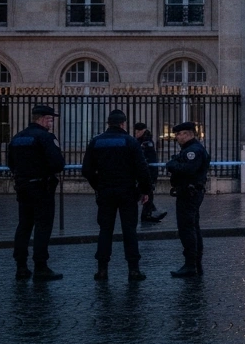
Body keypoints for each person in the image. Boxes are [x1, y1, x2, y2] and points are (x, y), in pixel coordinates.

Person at [81, 110, 153, 281]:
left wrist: (97, 186)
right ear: (123, 124)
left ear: (108, 123)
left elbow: (87, 170)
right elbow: (142, 169)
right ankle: (133, 270)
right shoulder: (130, 141)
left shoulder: (96, 141)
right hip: (127, 191)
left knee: (105, 230)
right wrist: (145, 190)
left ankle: (102, 269)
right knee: (130, 230)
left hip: (105, 191)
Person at [6, 104, 67, 281]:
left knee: (24, 226)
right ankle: (41, 266)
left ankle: (21, 266)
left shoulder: (17, 137)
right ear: (41, 119)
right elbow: (58, 164)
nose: (51, 123)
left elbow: (11, 163)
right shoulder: (45, 137)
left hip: (23, 187)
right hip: (42, 187)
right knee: (42, 227)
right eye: (50, 119)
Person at [166, 121, 210, 278]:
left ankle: (191, 264)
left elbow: (188, 170)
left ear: (187, 134)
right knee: (192, 227)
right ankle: (195, 263)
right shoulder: (190, 149)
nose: (177, 137)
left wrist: (172, 165)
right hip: (189, 192)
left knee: (187, 228)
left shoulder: (193, 151)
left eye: (179, 134)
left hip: (189, 192)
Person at [134, 122, 167, 223]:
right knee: (145, 193)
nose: (136, 133)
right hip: (144, 172)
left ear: (141, 131)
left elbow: (149, 159)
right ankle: (150, 213)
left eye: (137, 131)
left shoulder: (145, 142)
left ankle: (149, 213)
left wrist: (152, 176)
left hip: (145, 171)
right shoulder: (142, 141)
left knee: (145, 193)